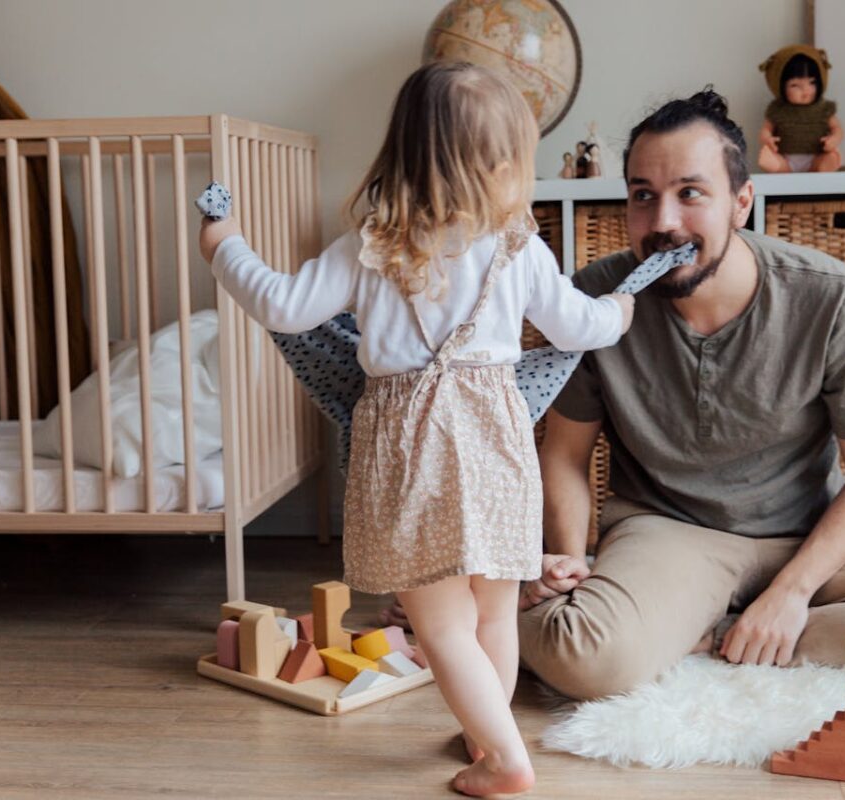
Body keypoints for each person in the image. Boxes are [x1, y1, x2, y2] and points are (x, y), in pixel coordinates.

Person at [200, 61, 633, 797]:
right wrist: (621, 308)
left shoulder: (372, 246)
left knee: (439, 624)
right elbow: (578, 324)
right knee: (493, 612)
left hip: (410, 449)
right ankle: (488, 731)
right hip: (496, 441)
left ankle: (501, 758)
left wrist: (224, 245)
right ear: (500, 165)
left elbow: (281, 305)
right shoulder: (519, 246)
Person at [515, 87, 845, 700]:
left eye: (690, 193)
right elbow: (564, 456)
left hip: (804, 539)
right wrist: (570, 569)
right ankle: (669, 630)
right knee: (581, 653)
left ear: (741, 204)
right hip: (666, 534)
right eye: (643, 196)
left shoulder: (830, 296)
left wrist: (791, 594)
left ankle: (719, 637)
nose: (664, 222)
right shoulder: (595, 299)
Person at [758, 45, 843, 172]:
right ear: (779, 86)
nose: (806, 91)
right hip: (786, 158)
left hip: (816, 157)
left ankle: (823, 166)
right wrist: (767, 139)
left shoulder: (824, 108)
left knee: (828, 158)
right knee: (772, 159)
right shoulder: (777, 109)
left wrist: (834, 139)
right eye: (795, 85)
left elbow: (837, 129)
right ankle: (779, 166)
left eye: (812, 83)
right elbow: (766, 129)